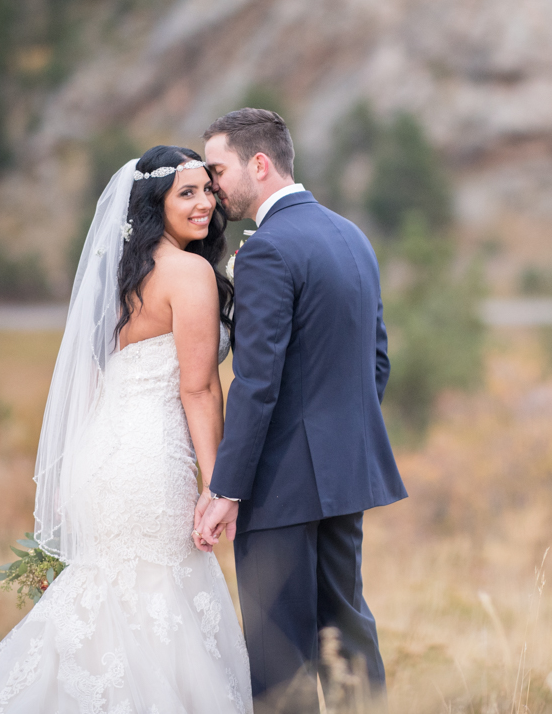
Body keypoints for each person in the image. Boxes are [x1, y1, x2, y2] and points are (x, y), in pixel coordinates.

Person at [0, 146, 253, 714]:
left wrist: (68, 463)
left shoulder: (126, 272)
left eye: (207, 190)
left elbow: (99, 380)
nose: (206, 204)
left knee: (109, 600)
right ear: (155, 204)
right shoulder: (190, 273)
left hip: (101, 459)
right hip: (150, 462)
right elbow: (197, 389)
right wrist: (218, 483)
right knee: (155, 599)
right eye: (187, 194)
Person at [196, 108, 407, 713]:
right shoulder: (351, 236)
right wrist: (339, 442)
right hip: (344, 477)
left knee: (278, 654)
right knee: (346, 634)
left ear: (258, 164)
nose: (213, 186)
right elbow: (377, 361)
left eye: (218, 170)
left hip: (282, 484)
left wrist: (228, 486)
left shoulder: (267, 251)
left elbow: (256, 384)